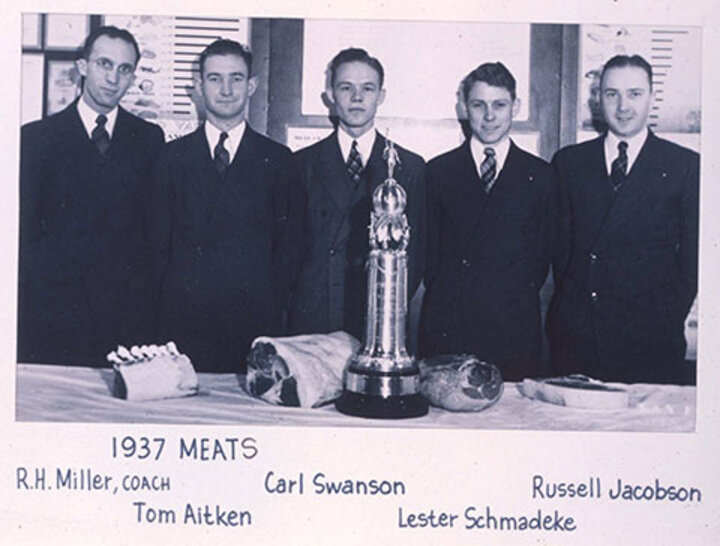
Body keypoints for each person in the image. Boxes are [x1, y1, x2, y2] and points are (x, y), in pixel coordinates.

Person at [154, 39, 305, 373]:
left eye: (236, 78)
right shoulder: (170, 159)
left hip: (252, 323)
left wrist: (267, 307)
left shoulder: (279, 161)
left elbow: (290, 249)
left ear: (251, 86)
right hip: (182, 324)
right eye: (214, 78)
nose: (226, 89)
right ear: (197, 86)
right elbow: (155, 248)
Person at [548, 54, 699, 384]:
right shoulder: (569, 163)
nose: (623, 106)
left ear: (652, 97)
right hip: (579, 341)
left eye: (634, 94)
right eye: (611, 94)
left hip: (649, 344)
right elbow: (561, 253)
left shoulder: (685, 166)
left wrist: (662, 318)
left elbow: (693, 263)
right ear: (598, 99)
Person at [18, 26, 165, 366]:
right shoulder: (37, 140)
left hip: (126, 321)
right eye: (104, 64)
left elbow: (153, 232)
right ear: (82, 67)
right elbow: (24, 237)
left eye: (124, 69)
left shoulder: (149, 140)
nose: (113, 78)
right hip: (54, 318)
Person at [419, 62, 555, 381]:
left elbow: (541, 258)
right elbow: (430, 256)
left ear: (515, 107)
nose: (489, 116)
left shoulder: (541, 176)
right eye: (479, 105)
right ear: (464, 108)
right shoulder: (438, 172)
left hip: (512, 328)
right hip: (449, 326)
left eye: (499, 105)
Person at [288, 48, 426, 339]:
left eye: (367, 88)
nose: (357, 97)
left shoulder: (408, 166)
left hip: (377, 318)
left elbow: (416, 254)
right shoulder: (301, 165)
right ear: (330, 95)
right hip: (315, 319)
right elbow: (288, 251)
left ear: (381, 96)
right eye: (346, 87)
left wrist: (387, 304)